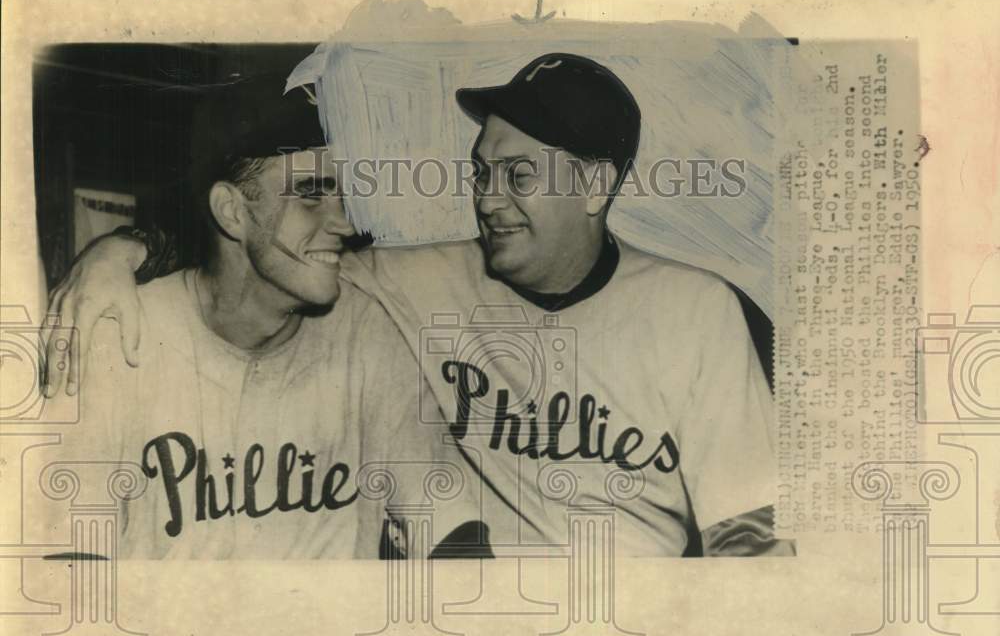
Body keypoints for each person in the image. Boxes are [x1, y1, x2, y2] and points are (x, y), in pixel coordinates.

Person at [44, 53, 791, 557]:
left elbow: (752, 536)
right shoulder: (412, 284)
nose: (487, 200)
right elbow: (273, 254)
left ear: (594, 187)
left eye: (518, 175)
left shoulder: (698, 313)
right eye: (481, 171)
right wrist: (122, 251)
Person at [40, 73, 485, 559]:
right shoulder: (121, 332)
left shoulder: (366, 330)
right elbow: (71, 559)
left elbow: (447, 520)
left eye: (346, 194)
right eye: (312, 195)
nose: (346, 221)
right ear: (232, 212)